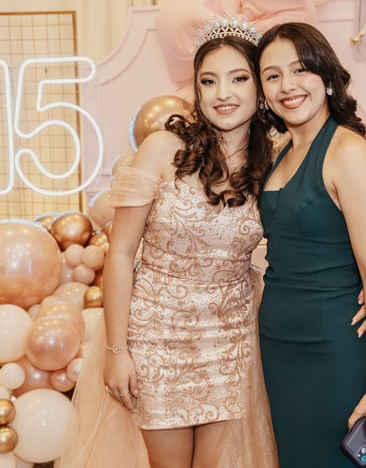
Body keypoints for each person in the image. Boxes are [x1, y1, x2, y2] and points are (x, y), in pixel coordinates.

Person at [60, 28, 278, 468]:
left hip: (229, 339)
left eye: (238, 78)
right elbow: (121, 254)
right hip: (156, 336)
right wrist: (116, 351)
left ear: (260, 86)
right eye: (208, 80)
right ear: (196, 89)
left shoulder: (275, 159)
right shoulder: (162, 149)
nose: (223, 93)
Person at [256, 21, 366, 467]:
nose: (287, 85)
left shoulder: (348, 152)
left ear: (326, 76)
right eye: (273, 75)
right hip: (278, 346)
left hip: (333, 350)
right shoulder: (282, 150)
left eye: (300, 70)